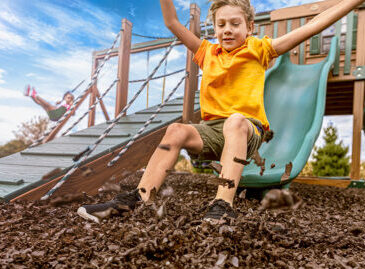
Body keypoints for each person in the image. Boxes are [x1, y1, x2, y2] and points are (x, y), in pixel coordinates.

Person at [77, 0, 363, 224]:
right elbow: (172, 21)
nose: (227, 29)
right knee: (176, 129)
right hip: (213, 134)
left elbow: (311, 28)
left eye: (235, 24)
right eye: (221, 24)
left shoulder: (260, 50)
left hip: (248, 130)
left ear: (249, 26)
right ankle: (140, 198)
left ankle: (223, 204)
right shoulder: (206, 53)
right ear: (214, 29)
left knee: (236, 121)